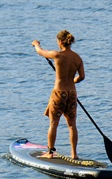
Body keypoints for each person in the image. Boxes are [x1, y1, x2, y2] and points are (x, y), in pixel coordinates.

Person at [32, 30, 85, 159]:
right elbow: (82, 77)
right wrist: (72, 82)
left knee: (54, 123)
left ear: (60, 41)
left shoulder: (57, 55)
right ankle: (74, 154)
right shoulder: (77, 58)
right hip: (72, 93)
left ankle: (50, 152)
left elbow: (40, 52)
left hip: (59, 93)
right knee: (72, 124)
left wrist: (36, 44)